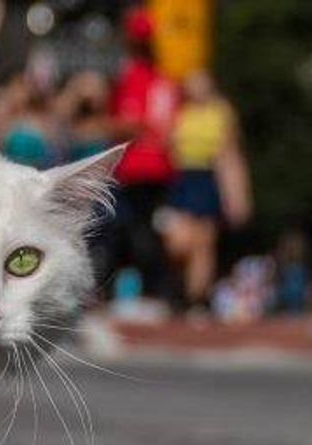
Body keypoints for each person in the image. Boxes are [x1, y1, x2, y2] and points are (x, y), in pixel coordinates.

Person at [107, 7, 179, 301]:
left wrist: (133, 126)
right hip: (144, 167)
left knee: (140, 232)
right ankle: (146, 290)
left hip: (144, 168)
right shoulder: (153, 78)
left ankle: (150, 290)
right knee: (137, 231)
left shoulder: (144, 77)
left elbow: (129, 123)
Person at [164, 70, 249, 312]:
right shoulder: (181, 112)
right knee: (178, 243)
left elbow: (230, 155)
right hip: (182, 179)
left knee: (204, 243)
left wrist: (237, 196)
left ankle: (196, 299)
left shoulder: (221, 113)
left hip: (208, 178)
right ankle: (181, 290)